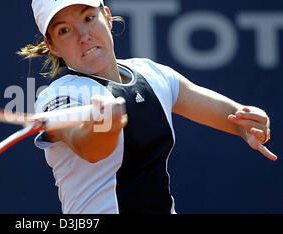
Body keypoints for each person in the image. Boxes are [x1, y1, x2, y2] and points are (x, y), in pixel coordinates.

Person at [18, 0, 277, 214]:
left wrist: (250, 126)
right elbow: (88, 146)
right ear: (52, 46)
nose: (84, 37)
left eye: (88, 18)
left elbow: (230, 115)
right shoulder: (59, 95)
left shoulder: (152, 74)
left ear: (107, 17)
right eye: (65, 30)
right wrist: (104, 129)